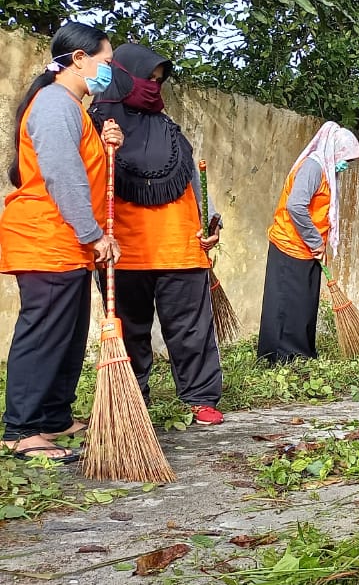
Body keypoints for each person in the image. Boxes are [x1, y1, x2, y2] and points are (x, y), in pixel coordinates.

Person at [0, 23, 122, 462]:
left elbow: (84, 168)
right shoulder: (54, 103)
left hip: (65, 241)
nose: (108, 72)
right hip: (46, 237)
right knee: (44, 332)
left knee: (68, 334)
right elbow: (61, 175)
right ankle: (22, 429)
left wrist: (109, 144)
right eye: (105, 63)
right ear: (78, 60)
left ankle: (53, 416)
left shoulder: (73, 107)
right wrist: (94, 235)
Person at [88, 44, 226, 426]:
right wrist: (105, 147)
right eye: (147, 79)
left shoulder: (169, 129)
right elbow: (86, 179)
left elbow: (192, 180)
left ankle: (201, 396)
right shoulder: (96, 125)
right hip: (124, 248)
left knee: (192, 329)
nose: (153, 87)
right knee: (130, 331)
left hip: (181, 246)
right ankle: (132, 399)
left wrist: (210, 222)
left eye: (158, 81)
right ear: (123, 76)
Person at [258, 122, 359, 365]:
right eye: (345, 159)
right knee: (286, 303)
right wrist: (315, 240)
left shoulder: (326, 171)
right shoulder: (313, 168)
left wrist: (318, 245)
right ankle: (280, 358)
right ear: (334, 150)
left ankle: (300, 354)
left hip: (306, 249)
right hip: (290, 245)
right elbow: (295, 206)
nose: (346, 165)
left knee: (303, 305)